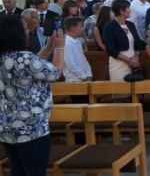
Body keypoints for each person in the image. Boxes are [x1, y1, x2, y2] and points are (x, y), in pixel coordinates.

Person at [0, 15, 64, 176]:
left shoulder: (6, 57)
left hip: (7, 127)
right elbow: (55, 73)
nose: (28, 31)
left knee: (18, 170)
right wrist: (59, 48)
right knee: (34, 172)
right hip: (31, 128)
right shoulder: (24, 58)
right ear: (16, 33)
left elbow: (34, 67)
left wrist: (49, 46)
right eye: (25, 28)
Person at [102, 0, 145, 83]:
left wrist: (136, 57)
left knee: (134, 91)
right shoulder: (109, 27)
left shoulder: (130, 24)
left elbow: (138, 43)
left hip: (134, 62)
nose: (130, 10)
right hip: (118, 63)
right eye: (128, 8)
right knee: (121, 91)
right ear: (121, 11)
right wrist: (129, 60)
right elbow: (110, 49)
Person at [63, 17, 93, 85]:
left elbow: (83, 59)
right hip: (73, 80)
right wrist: (83, 76)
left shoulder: (78, 41)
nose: (83, 29)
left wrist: (89, 74)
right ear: (73, 28)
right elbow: (71, 64)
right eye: (81, 26)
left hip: (85, 79)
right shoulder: (66, 43)